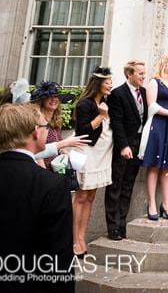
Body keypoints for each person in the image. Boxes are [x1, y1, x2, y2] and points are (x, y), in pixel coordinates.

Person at [0, 103, 74, 292]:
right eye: (45, 127)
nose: (46, 131)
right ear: (35, 132)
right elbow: (58, 259)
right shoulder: (53, 185)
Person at [0, 79, 86, 160]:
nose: (28, 107)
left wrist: (61, 148)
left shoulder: (25, 122)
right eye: (25, 104)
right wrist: (63, 144)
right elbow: (27, 152)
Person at [73, 66, 114, 256]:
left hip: (102, 156)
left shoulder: (107, 102)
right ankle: (75, 240)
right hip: (87, 153)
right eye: (107, 83)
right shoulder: (84, 104)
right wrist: (101, 116)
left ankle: (83, 236)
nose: (110, 86)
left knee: (91, 197)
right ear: (98, 84)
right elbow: (82, 131)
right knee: (81, 197)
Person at [139, 54, 168, 220]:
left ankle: (166, 204)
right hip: (157, 125)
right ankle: (152, 203)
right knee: (154, 166)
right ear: (164, 64)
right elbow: (152, 106)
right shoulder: (154, 82)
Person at [105, 60, 148, 240]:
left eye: (144, 74)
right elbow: (117, 122)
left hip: (139, 144)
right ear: (129, 75)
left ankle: (122, 224)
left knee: (128, 185)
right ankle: (112, 227)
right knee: (116, 185)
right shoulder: (117, 94)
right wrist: (123, 146)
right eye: (140, 73)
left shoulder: (145, 93)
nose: (143, 77)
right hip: (124, 145)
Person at [30, 81, 80, 170]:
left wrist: (63, 152)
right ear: (42, 101)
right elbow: (36, 150)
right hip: (40, 168)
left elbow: (58, 144)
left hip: (55, 168)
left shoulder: (57, 121)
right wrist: (43, 172)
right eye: (49, 97)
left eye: (56, 96)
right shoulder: (37, 121)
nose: (54, 99)